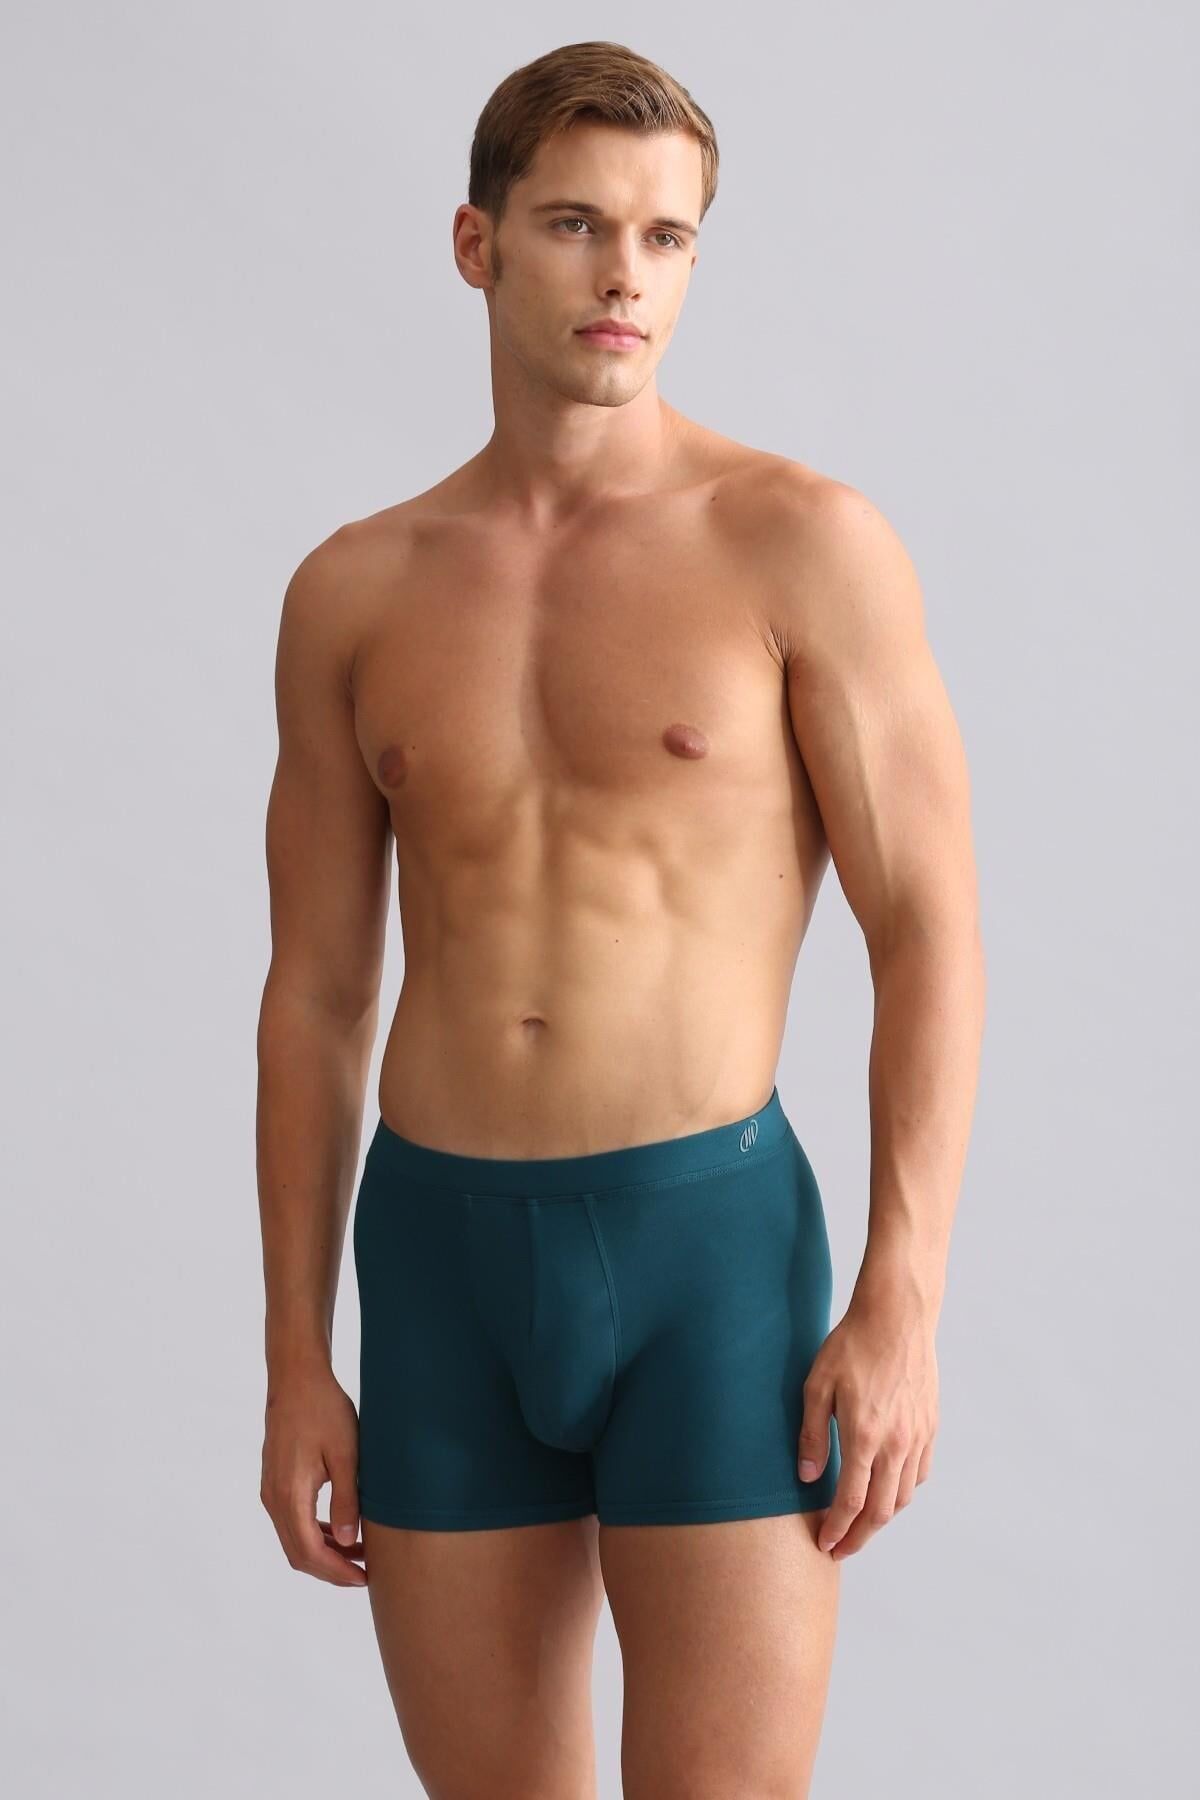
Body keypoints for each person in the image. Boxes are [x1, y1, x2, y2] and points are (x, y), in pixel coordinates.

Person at [255, 37, 986, 1800]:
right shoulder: (356, 590)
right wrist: (294, 1356)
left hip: (707, 1258)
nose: (623, 278)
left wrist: (903, 1296)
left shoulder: (799, 544)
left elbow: (928, 929)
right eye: (577, 225)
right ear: (477, 243)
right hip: (437, 1263)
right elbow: (318, 994)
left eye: (666, 238)